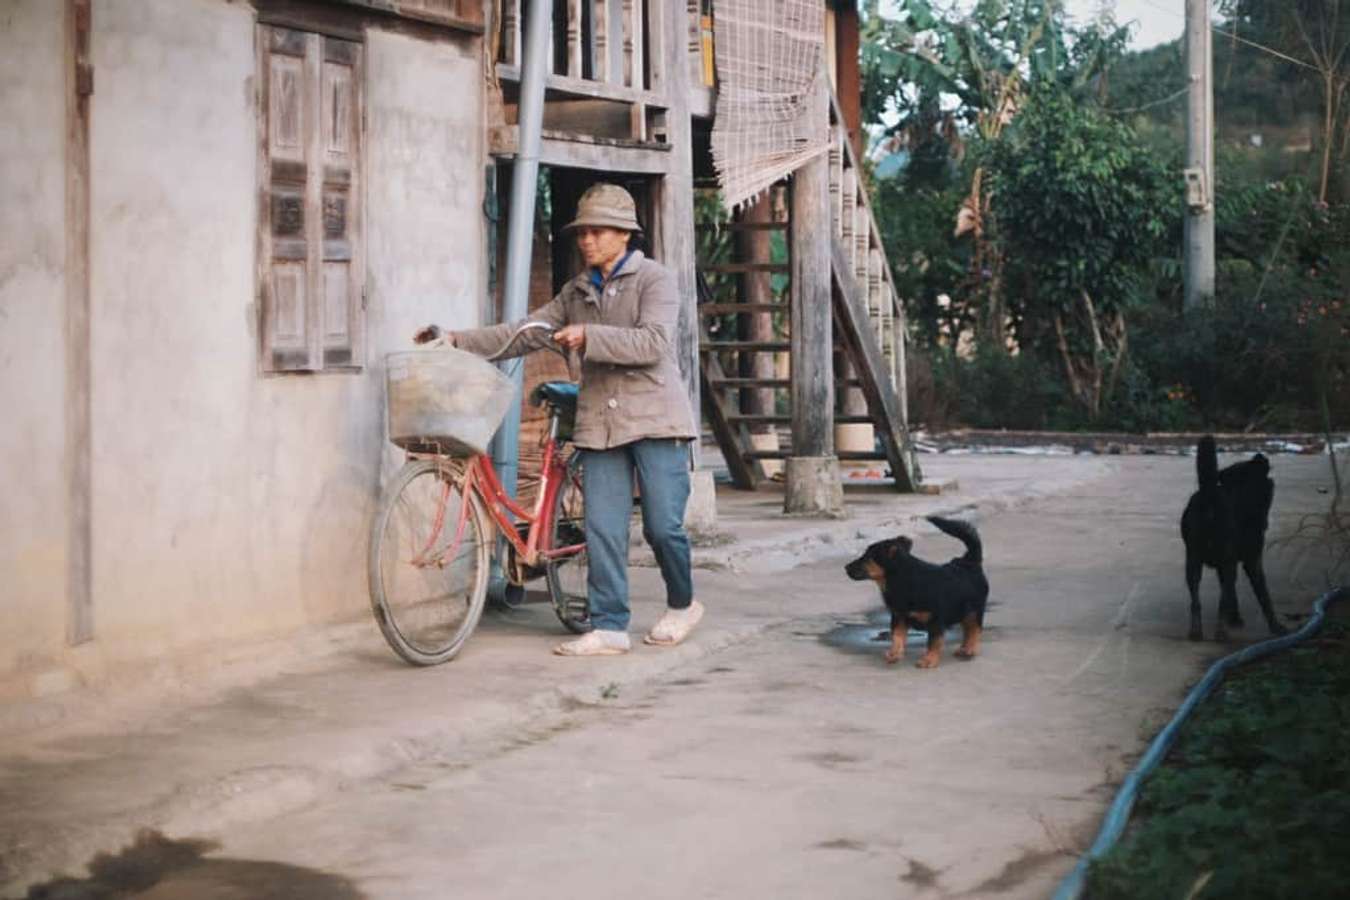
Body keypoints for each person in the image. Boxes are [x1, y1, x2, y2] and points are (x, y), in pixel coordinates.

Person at [414, 183, 703, 657]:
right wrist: (456, 340)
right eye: (582, 232)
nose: (587, 240)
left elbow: (653, 343)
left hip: (656, 420)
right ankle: (610, 626)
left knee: (661, 526)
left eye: (598, 231)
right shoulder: (576, 291)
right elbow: (525, 334)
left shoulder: (655, 280)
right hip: (600, 424)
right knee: (602, 528)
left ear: (624, 235)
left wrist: (590, 335)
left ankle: (682, 603)